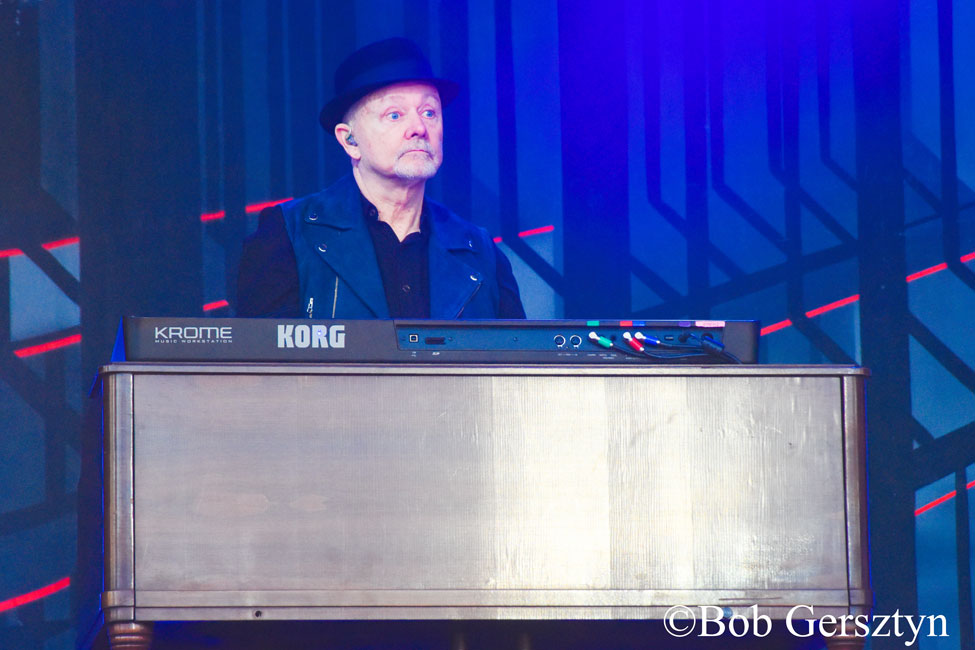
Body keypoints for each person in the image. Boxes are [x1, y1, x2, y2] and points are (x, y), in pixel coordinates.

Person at [237, 37, 525, 319]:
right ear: (350, 140)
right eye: (395, 115)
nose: (418, 128)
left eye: (429, 112)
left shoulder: (481, 252)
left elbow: (517, 362)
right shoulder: (290, 235)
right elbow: (262, 362)